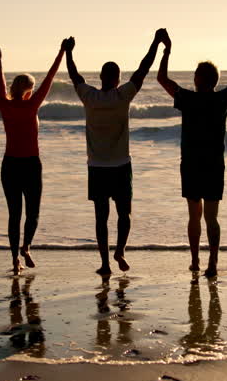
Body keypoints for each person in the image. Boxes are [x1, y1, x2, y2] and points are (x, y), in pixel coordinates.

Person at [156, 30, 227, 277]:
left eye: (194, 75)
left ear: (200, 79)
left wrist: (166, 50)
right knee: (212, 217)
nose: (192, 78)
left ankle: (195, 260)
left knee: (194, 216)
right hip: (213, 165)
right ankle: (212, 262)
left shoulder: (188, 99)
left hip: (190, 164)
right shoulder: (221, 100)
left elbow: (161, 78)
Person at [66, 31, 161, 275]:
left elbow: (74, 76)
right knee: (124, 214)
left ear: (100, 77)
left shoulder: (89, 96)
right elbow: (143, 69)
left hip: (97, 167)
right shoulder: (122, 96)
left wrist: (68, 52)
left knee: (101, 218)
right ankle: (120, 250)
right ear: (118, 79)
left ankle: (105, 264)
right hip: (121, 166)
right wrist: (156, 43)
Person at [0, 39, 69, 274]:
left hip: (10, 165)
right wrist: (62, 53)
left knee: (14, 214)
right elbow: (50, 78)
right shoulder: (32, 105)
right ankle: (26, 246)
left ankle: (16, 258)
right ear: (29, 90)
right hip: (30, 165)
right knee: (32, 212)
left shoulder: (3, 104)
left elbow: (0, 82)